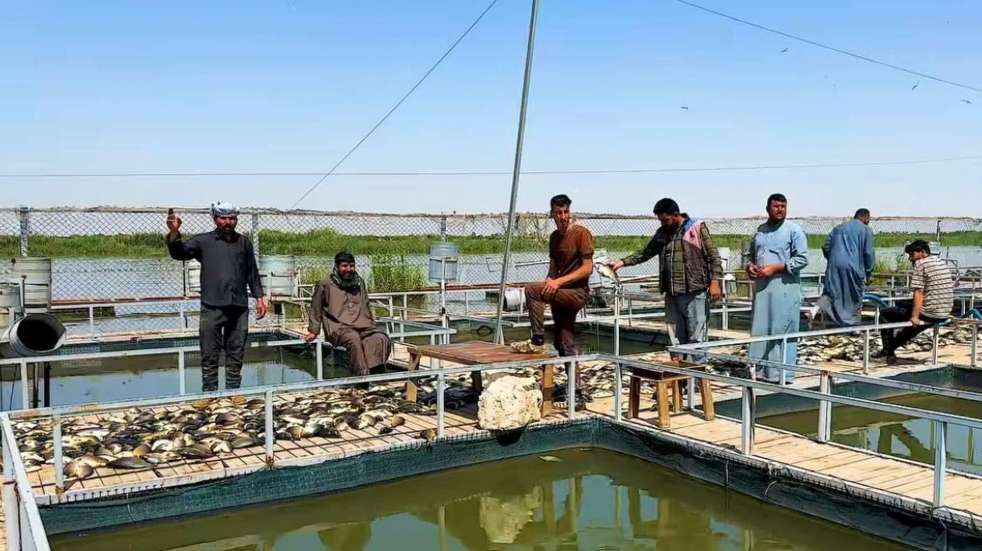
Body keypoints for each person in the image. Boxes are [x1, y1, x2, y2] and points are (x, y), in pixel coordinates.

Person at [166, 203, 266, 392]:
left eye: (232, 218)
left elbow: (251, 272)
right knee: (209, 352)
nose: (228, 222)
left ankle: (234, 391)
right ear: (215, 219)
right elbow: (179, 253)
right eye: (223, 218)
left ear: (236, 220)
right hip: (212, 306)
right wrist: (174, 233)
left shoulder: (244, 242)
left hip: (238, 307)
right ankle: (209, 394)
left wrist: (259, 297)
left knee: (236, 351)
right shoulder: (203, 241)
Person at [607, 198, 723, 356]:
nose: (663, 223)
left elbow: (714, 256)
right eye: (660, 220)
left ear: (676, 215)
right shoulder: (662, 233)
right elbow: (645, 252)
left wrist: (715, 282)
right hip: (671, 293)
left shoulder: (695, 228)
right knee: (675, 338)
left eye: (665, 220)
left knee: (697, 336)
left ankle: (699, 370)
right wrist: (621, 262)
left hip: (694, 291)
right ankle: (679, 368)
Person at [513, 194, 594, 358]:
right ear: (552, 214)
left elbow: (587, 268)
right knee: (562, 342)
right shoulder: (554, 237)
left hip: (577, 292)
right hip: (560, 292)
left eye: (566, 212)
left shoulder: (581, 234)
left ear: (570, 212)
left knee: (531, 290)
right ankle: (573, 374)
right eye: (559, 213)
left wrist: (558, 282)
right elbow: (553, 267)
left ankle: (537, 340)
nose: (563, 217)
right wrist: (550, 280)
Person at [747, 193, 809, 383]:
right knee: (761, 328)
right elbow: (750, 255)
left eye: (783, 206)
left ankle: (782, 374)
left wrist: (776, 268)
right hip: (762, 289)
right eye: (776, 206)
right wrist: (750, 267)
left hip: (784, 289)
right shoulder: (760, 231)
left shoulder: (794, 231)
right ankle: (759, 371)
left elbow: (802, 259)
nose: (780, 210)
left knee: (782, 328)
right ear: (768, 209)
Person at [305, 252, 391, 376]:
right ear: (337, 266)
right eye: (345, 266)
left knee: (380, 338)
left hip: (363, 325)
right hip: (338, 327)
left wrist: (371, 323)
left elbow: (366, 304)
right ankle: (361, 376)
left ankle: (376, 372)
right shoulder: (325, 284)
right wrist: (314, 331)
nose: (349, 269)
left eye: (351, 266)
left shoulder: (359, 282)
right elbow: (316, 307)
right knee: (353, 339)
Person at [876, 240, 954, 364]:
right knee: (904, 312)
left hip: (930, 312)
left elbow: (919, 292)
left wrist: (915, 316)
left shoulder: (921, 264)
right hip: (944, 312)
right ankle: (889, 349)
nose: (910, 258)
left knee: (885, 314)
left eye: (912, 254)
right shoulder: (940, 262)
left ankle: (888, 351)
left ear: (922, 252)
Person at [816, 208, 875, 326]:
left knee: (832, 292)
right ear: (866, 218)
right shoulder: (866, 230)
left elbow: (826, 246)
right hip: (854, 267)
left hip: (834, 266)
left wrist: (833, 259)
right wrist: (869, 272)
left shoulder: (838, 228)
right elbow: (868, 254)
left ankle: (823, 314)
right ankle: (852, 326)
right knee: (853, 297)